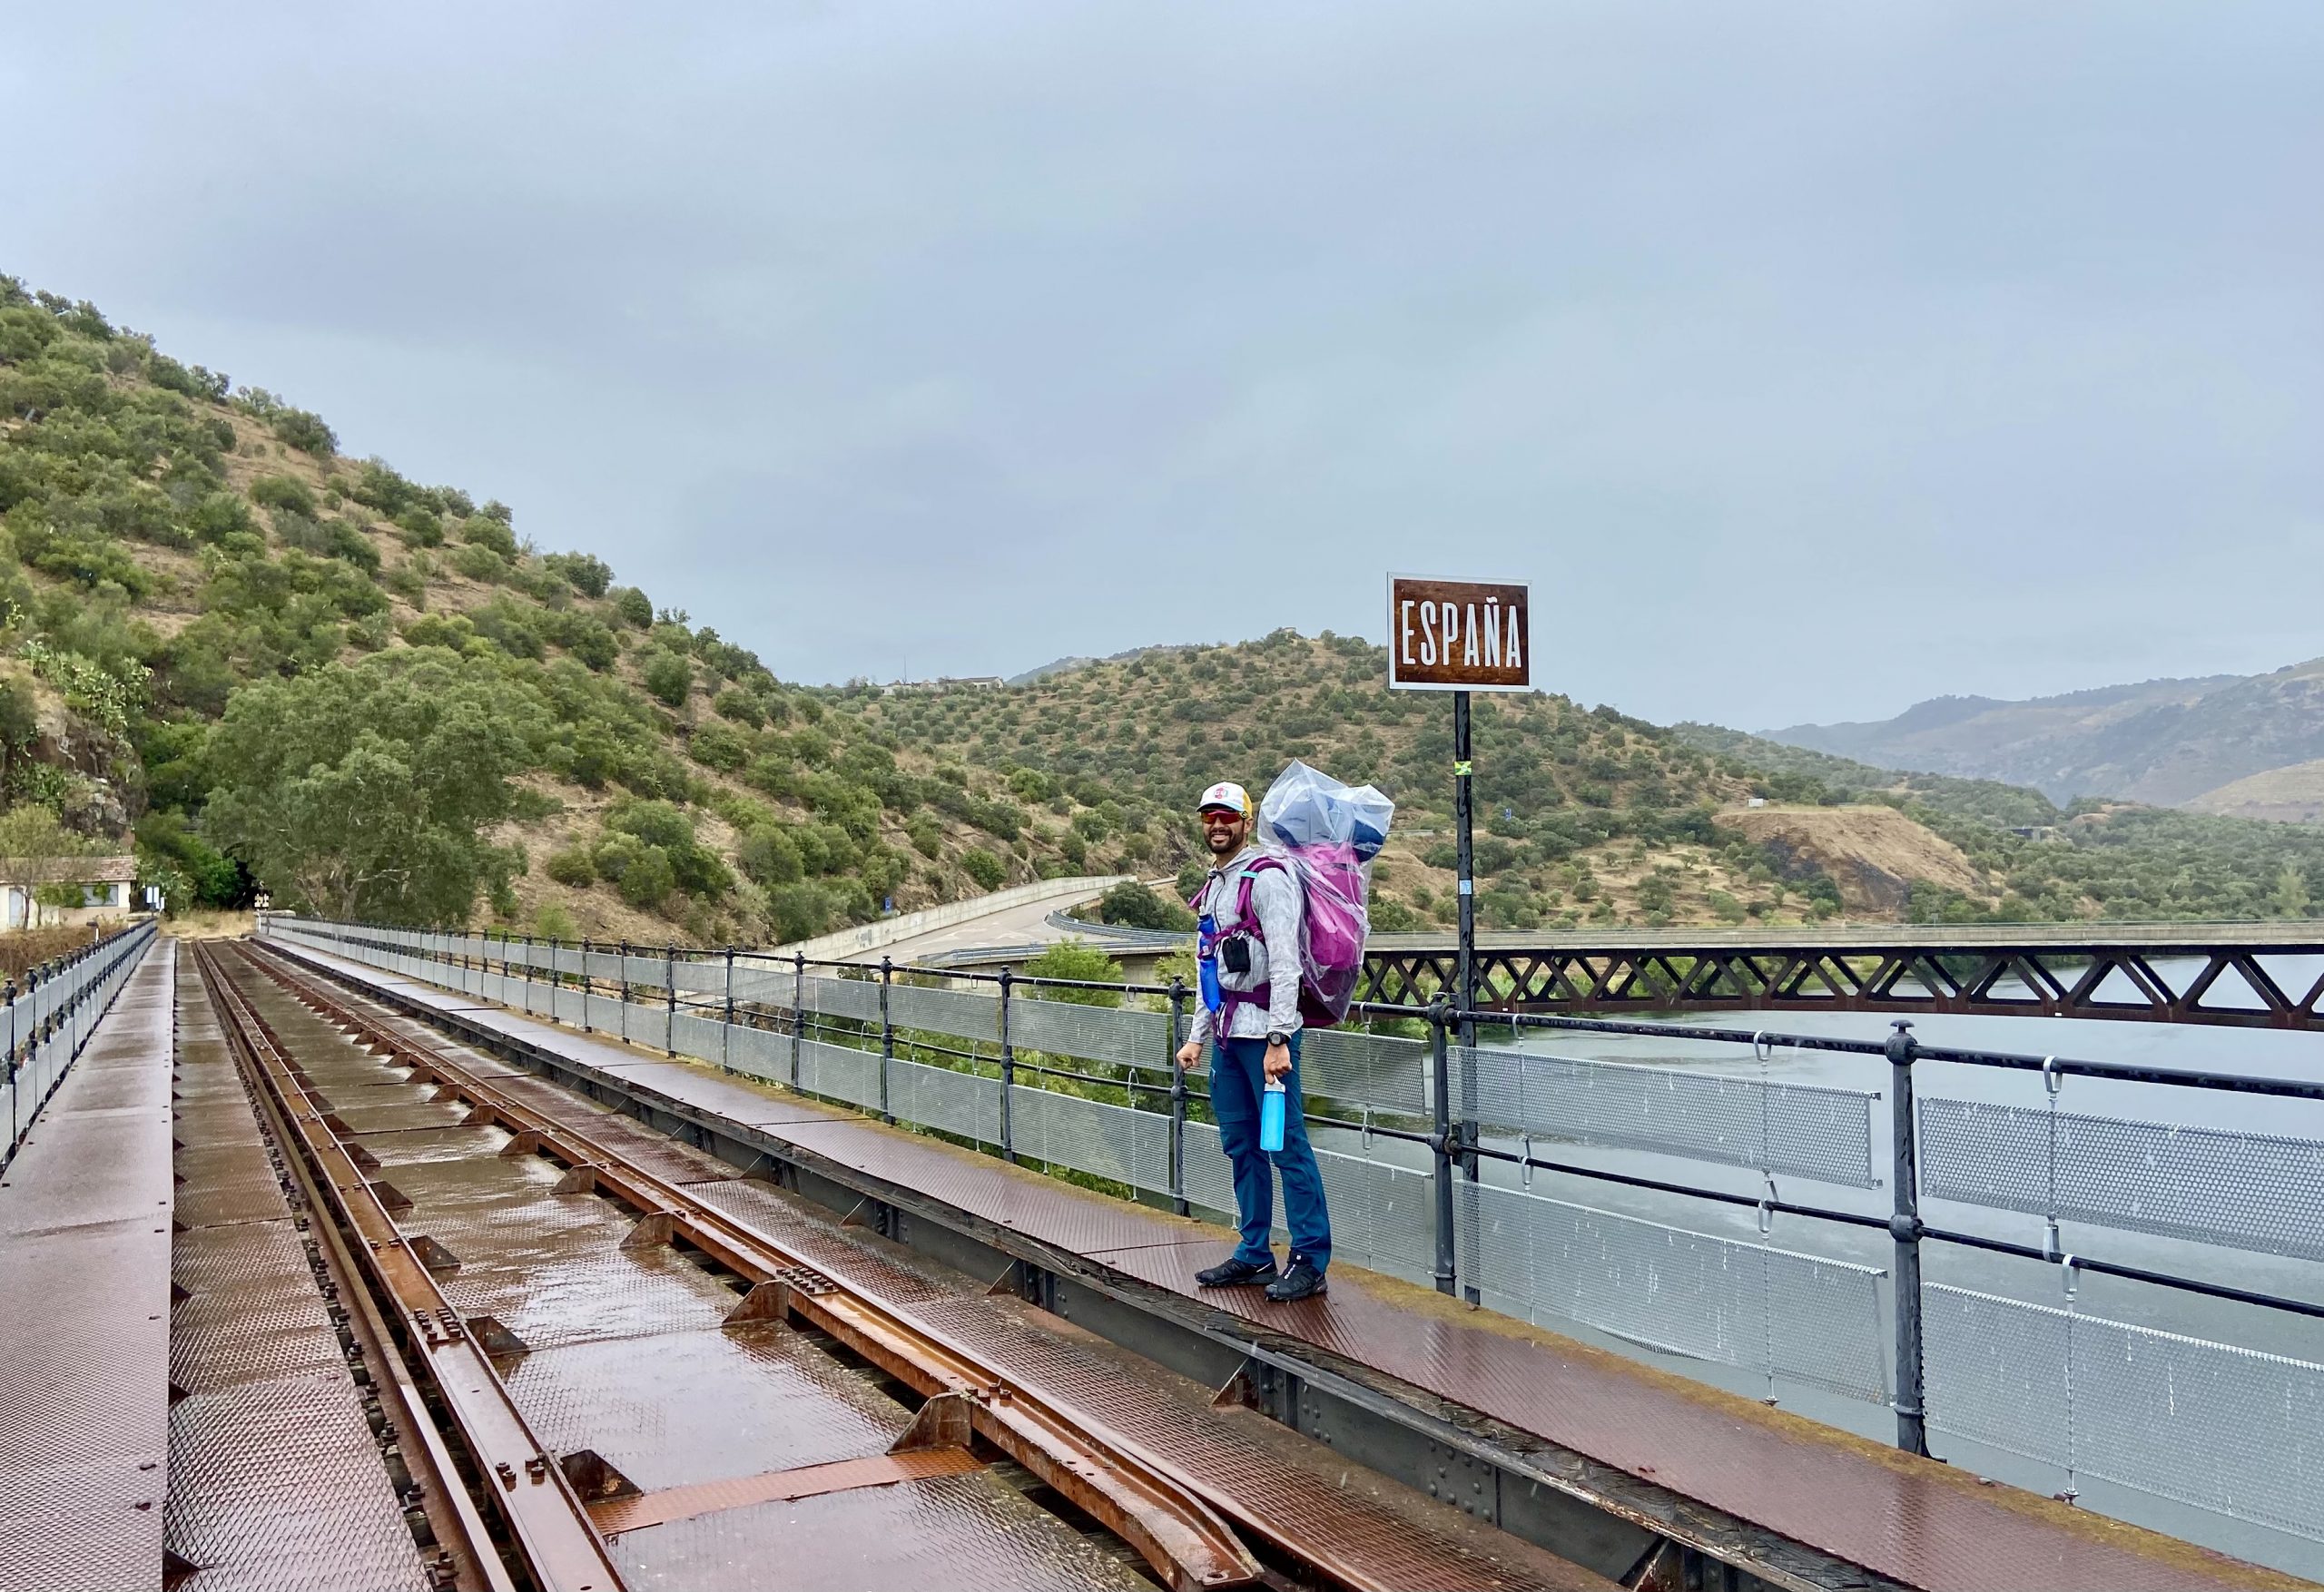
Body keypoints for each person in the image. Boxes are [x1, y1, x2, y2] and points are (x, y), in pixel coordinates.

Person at [1174, 780, 1332, 1302]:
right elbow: (1210, 970)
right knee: (1241, 1146)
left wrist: (1279, 1038)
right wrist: (1197, 1037)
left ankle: (1310, 1259)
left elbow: (1286, 963)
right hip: (1227, 1038)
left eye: (1227, 816)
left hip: (1265, 1040)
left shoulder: (1267, 879)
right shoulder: (1215, 885)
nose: (1217, 825)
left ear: (1246, 821)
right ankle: (1255, 1252)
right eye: (1209, 817)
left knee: (1285, 1146)